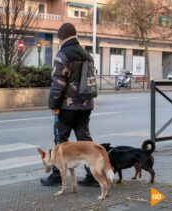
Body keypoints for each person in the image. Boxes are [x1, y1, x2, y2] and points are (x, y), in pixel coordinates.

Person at [40, 22, 99, 187]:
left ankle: (57, 176)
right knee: (85, 141)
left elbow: (58, 83)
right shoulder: (87, 54)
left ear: (61, 38)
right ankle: (93, 176)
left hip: (67, 106)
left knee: (60, 141)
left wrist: (54, 104)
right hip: (86, 105)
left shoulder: (63, 55)